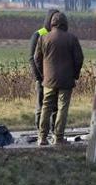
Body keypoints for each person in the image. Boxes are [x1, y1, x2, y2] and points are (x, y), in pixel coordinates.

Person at [34, 12, 84, 145]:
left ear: (52, 23)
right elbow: (79, 59)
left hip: (48, 80)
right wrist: (75, 74)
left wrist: (43, 74)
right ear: (65, 23)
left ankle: (42, 137)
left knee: (46, 107)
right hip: (66, 80)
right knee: (62, 107)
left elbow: (36, 58)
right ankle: (58, 137)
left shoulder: (43, 38)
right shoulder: (72, 38)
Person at [30, 9, 59, 130]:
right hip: (42, 78)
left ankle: (54, 130)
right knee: (41, 106)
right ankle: (40, 131)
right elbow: (32, 58)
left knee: (55, 106)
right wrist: (39, 77)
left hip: (55, 77)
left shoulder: (58, 35)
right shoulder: (39, 34)